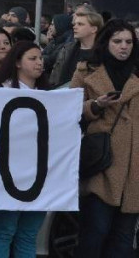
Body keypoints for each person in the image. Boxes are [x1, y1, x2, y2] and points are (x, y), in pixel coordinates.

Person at [71, 20, 139, 258]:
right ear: (106, 42)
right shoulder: (86, 70)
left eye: (129, 42)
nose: (124, 47)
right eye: (117, 41)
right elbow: (68, 111)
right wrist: (95, 106)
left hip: (134, 168)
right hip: (101, 163)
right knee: (95, 233)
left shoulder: (137, 72)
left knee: (123, 239)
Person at [0, 41, 48, 258]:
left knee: (28, 233)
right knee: (4, 230)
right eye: (33, 58)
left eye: (40, 58)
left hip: (40, 174)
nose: (39, 63)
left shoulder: (50, 95)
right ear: (18, 63)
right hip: (7, 174)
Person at [48, 6, 105, 87]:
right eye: (75, 24)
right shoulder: (67, 49)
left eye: (80, 24)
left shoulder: (104, 53)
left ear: (94, 29)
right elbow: (57, 76)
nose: (75, 27)